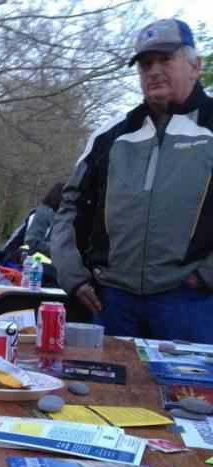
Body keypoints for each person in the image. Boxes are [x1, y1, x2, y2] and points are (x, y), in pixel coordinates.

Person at [51, 18, 213, 342]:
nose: (153, 71)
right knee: (104, 393)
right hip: (111, 301)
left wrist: (206, 274)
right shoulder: (110, 135)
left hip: (190, 301)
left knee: (189, 394)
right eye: (144, 63)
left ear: (195, 66)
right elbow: (68, 205)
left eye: (165, 59)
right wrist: (74, 276)